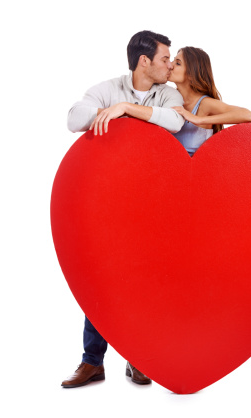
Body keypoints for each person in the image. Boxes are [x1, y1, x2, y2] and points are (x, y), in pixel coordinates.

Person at [62, 30, 185, 389]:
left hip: (153, 200)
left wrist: (125, 111)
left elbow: (176, 121)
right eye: (165, 58)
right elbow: (74, 118)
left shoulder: (169, 93)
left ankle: (140, 359)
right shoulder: (108, 87)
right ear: (144, 61)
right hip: (109, 199)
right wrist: (113, 107)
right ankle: (92, 362)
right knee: (99, 278)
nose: (170, 64)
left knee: (144, 281)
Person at [169, 46, 251, 156]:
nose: (170, 65)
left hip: (197, 171)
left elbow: (247, 115)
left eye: (178, 63)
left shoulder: (204, 104)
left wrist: (198, 119)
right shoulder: (169, 98)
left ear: (191, 74)